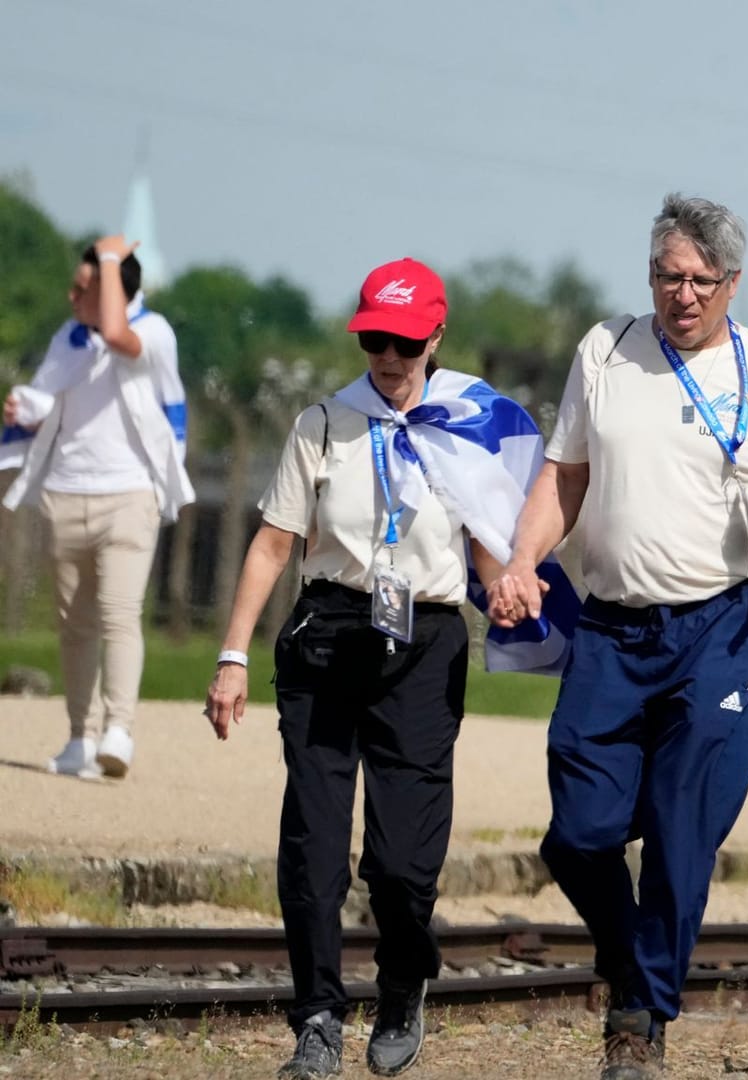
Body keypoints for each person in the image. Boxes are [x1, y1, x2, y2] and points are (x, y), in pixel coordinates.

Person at [486, 194, 748, 1080]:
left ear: (731, 283)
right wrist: (523, 559)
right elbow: (563, 476)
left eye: (697, 280)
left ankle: (639, 1020)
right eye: (665, 276)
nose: (680, 295)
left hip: (720, 627)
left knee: (684, 838)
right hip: (610, 628)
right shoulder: (605, 350)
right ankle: (628, 958)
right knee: (579, 832)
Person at [204, 258, 534, 1078]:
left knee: (400, 861)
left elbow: (492, 551)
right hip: (329, 634)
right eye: (374, 340)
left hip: (425, 642)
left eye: (405, 342)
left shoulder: (464, 424)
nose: (388, 356)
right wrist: (232, 655)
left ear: (436, 337)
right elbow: (274, 545)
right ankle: (316, 1016)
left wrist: (506, 595)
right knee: (314, 844)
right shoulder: (322, 424)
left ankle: (401, 983)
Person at [3, 237, 194, 780]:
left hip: (129, 495)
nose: (71, 297)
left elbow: (116, 334)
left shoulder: (153, 332)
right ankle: (79, 738)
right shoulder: (68, 339)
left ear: (116, 286)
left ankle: (119, 729)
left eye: (83, 288)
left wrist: (109, 258)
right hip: (65, 493)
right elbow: (47, 397)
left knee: (118, 614)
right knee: (74, 625)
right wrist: (25, 407)